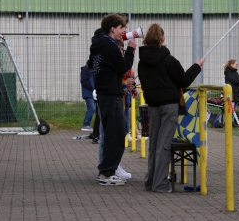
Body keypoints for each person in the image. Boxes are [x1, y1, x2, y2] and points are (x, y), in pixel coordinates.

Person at [138, 23, 205, 193]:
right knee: (164, 145)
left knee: (153, 145)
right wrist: (197, 66)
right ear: (162, 38)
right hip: (169, 106)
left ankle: (150, 181)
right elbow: (183, 81)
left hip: (152, 106)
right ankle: (160, 184)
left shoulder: (142, 62)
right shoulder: (169, 60)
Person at [88, 13, 136, 186]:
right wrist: (130, 49)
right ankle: (108, 173)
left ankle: (108, 170)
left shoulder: (98, 46)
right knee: (115, 135)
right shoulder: (110, 46)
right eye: (122, 28)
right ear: (113, 29)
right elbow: (124, 66)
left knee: (111, 134)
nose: (124, 31)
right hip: (111, 95)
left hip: (104, 93)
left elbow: (91, 65)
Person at [224, 59, 239, 126]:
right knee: (230, 109)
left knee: (234, 110)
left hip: (236, 92)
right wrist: (238, 81)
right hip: (231, 93)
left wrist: (238, 82)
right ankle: (227, 122)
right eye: (236, 64)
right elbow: (235, 81)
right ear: (231, 65)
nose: (237, 65)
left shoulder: (235, 72)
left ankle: (231, 122)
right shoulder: (228, 72)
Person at [80, 60, 95, 132]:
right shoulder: (85, 70)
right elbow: (83, 81)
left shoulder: (92, 70)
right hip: (88, 93)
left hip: (93, 93)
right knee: (91, 109)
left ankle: (87, 124)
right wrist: (92, 87)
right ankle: (86, 124)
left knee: (93, 109)